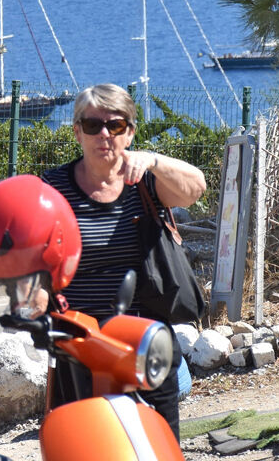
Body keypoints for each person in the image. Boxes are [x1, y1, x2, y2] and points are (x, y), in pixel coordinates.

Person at [39, 82, 206, 437]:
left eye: (115, 125)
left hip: (143, 341)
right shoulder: (52, 189)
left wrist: (155, 160)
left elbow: (195, 188)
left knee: (156, 444)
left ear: (129, 132)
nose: (104, 134)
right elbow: (30, 254)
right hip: (80, 346)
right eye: (91, 125)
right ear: (76, 132)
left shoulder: (144, 182)